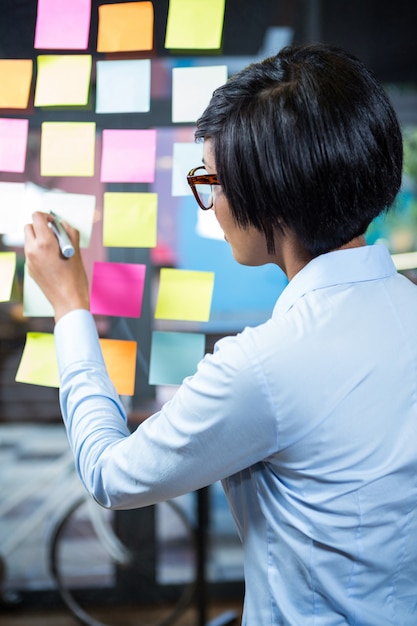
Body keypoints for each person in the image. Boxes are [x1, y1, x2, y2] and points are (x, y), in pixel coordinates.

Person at [24, 43, 417, 625]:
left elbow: (109, 473)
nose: (210, 206)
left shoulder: (264, 367)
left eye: (210, 180)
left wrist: (70, 306)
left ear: (266, 188)